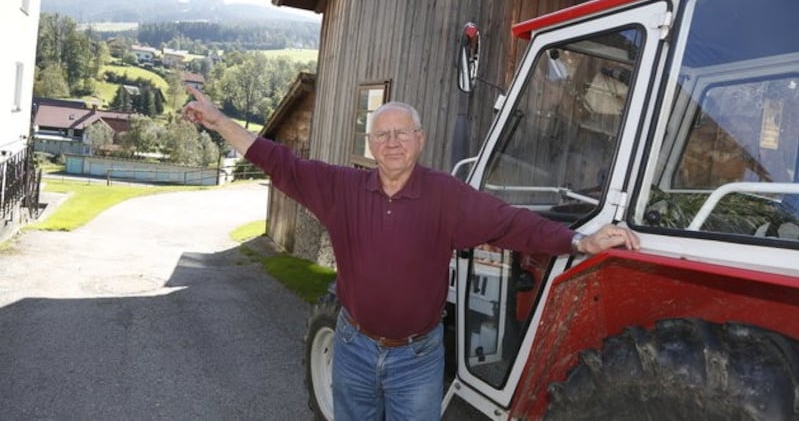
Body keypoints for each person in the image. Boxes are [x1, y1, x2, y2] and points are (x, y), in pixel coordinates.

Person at [182, 87, 640, 420]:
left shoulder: (446, 196)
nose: (393, 142)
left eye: (403, 133)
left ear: (420, 140)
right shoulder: (341, 189)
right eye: (382, 135)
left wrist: (580, 241)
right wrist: (219, 121)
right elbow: (278, 161)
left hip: (418, 360)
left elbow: (509, 222)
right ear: (371, 144)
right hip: (353, 347)